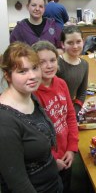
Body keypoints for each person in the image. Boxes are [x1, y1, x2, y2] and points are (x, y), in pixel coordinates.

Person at [0, 42, 61, 192]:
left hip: (52, 184)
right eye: (22, 71)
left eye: (35, 68)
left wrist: (52, 163)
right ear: (8, 75)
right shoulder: (4, 120)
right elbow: (18, 184)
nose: (33, 76)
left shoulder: (31, 97)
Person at [33, 41, 79, 193]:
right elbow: (35, 135)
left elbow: (70, 116)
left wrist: (72, 148)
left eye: (52, 60)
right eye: (42, 62)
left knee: (66, 187)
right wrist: (52, 161)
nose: (49, 65)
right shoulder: (33, 94)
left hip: (66, 153)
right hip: (47, 161)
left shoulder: (61, 84)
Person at [56, 26, 89, 117]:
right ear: (62, 44)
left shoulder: (84, 64)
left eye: (78, 42)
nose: (75, 46)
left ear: (83, 41)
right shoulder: (56, 64)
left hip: (71, 111)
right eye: (70, 43)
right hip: (56, 112)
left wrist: (73, 112)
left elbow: (82, 94)